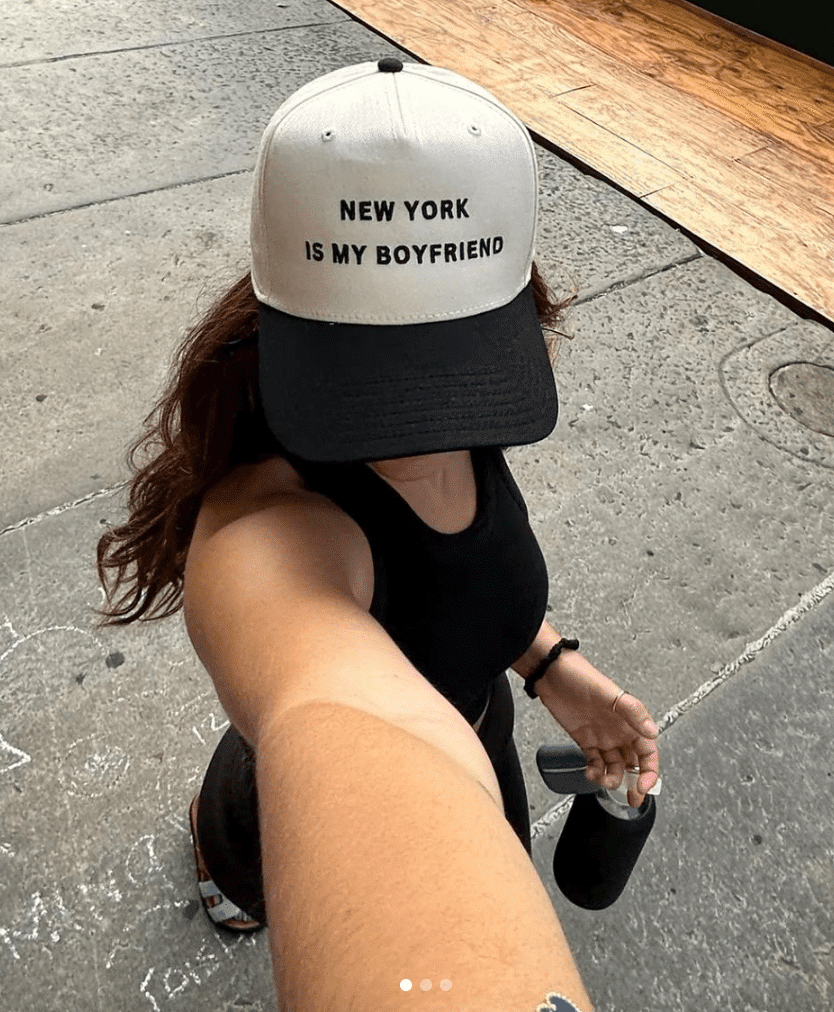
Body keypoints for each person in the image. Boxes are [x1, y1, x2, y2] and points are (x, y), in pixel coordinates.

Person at [97, 58, 660, 1012]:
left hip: (485, 739)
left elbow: (456, 581)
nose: (419, 428)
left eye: (446, 368)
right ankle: (218, 853)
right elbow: (335, 706)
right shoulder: (265, 531)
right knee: (250, 890)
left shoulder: (475, 420)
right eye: (375, 380)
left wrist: (549, 661)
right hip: (297, 816)